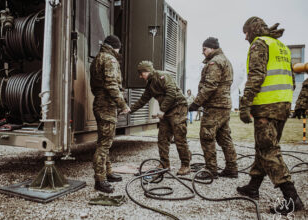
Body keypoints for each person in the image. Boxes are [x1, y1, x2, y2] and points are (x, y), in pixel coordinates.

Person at [237, 17, 304, 215]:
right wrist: (286, 101)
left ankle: (292, 200)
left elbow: (256, 75)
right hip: (282, 105)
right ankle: (253, 186)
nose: (246, 38)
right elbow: (292, 79)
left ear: (253, 30)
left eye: (246, 33)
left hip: (267, 105)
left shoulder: (260, 44)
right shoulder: (280, 46)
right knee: (263, 147)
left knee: (268, 150)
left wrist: (245, 104)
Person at [188, 37, 238, 180]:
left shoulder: (215, 62)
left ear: (212, 48)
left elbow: (210, 85)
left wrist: (196, 103)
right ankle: (232, 168)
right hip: (224, 105)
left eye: (204, 49)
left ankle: (211, 169)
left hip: (215, 106)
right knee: (224, 137)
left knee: (207, 136)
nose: (203, 52)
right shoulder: (226, 60)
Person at [130, 61, 191, 175]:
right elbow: (143, 100)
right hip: (166, 111)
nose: (140, 76)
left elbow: (171, 93)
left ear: (146, 71)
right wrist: (130, 110)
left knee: (179, 137)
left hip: (178, 107)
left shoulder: (162, 76)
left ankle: (185, 165)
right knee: (162, 138)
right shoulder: (150, 84)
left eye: (141, 73)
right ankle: (164, 164)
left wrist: (162, 110)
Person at [90, 35, 130, 193]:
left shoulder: (97, 58)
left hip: (100, 103)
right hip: (106, 105)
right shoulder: (110, 59)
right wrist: (123, 104)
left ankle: (108, 172)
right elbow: (112, 84)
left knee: (104, 141)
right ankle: (100, 180)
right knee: (104, 144)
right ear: (115, 47)